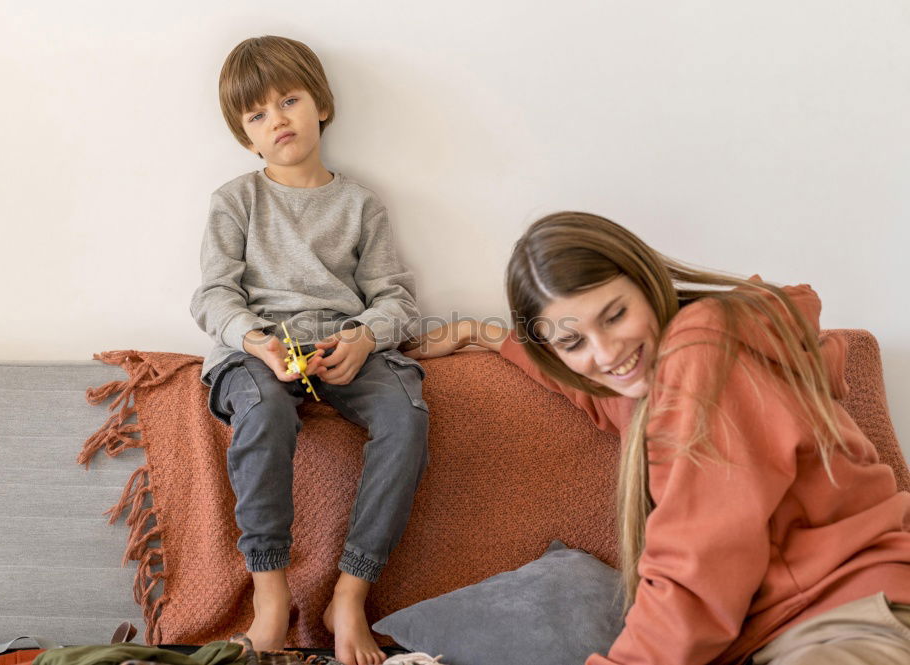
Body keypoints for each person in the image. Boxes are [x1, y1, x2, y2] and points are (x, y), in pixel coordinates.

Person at [406, 212, 910, 664]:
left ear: (647, 283)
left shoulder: (700, 351)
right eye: (573, 341)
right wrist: (483, 334)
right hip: (797, 627)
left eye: (615, 315)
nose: (605, 353)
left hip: (847, 619)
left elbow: (699, 563)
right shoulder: (652, 379)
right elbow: (601, 393)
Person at [190, 36, 429, 665]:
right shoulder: (235, 202)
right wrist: (253, 340)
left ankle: (349, 595)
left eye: (288, 101)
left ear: (319, 104)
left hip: (340, 343)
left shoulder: (360, 204)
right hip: (258, 347)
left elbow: (396, 300)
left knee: (404, 417)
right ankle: (271, 598)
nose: (278, 120)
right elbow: (212, 297)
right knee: (264, 411)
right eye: (257, 115)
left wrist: (364, 337)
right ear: (247, 138)